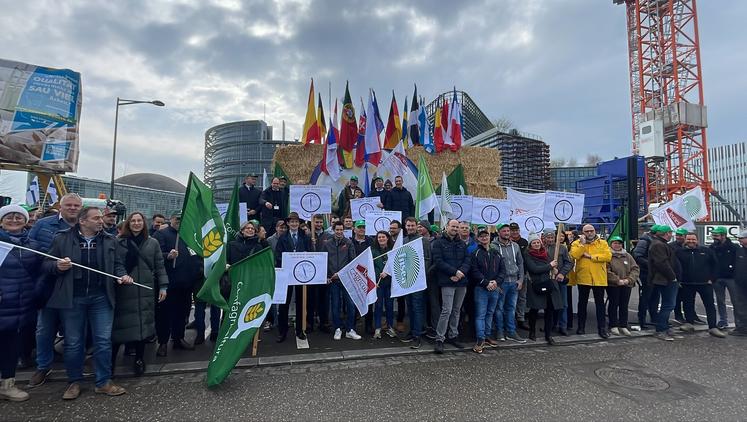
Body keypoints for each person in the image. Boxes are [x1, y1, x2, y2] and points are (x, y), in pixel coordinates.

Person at [43, 206, 132, 399]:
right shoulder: (62, 238)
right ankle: (74, 381)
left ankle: (103, 382)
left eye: (101, 218)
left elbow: (117, 264)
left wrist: (122, 275)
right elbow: (46, 264)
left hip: (101, 297)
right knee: (74, 343)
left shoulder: (109, 239)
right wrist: (57, 266)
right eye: (96, 218)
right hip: (73, 298)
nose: (101, 221)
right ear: (82, 221)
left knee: (103, 341)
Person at [27, 192, 83, 388]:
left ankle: (74, 373)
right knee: (44, 329)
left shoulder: (84, 227)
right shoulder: (43, 225)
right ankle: (43, 366)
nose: (73, 208)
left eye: (76, 206)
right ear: (61, 206)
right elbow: (29, 250)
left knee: (73, 333)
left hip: (74, 287)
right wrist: (52, 266)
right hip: (48, 284)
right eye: (69, 205)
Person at [111, 212, 168, 376]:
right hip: (124, 289)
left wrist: (163, 286)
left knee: (143, 327)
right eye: (133, 221)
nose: (136, 223)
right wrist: (121, 275)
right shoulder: (118, 242)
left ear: (144, 223)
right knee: (120, 326)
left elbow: (159, 266)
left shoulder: (153, 243)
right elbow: (116, 263)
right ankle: (111, 362)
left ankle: (139, 359)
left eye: (139, 221)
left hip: (145, 289)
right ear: (128, 223)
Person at [0, 205, 42, 401]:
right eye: (9, 217)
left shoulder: (32, 245)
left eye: (19, 217)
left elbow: (38, 272)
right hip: (2, 301)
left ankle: (7, 385)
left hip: (21, 304)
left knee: (11, 346)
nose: (14, 220)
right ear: (1, 221)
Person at [152, 211, 201, 356]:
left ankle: (178, 338)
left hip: (186, 284)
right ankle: (162, 343)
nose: (180, 222)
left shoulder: (189, 235)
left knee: (182, 313)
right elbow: (154, 255)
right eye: (177, 219)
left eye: (182, 219)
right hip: (168, 284)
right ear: (171, 219)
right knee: (165, 315)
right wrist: (167, 255)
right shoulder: (161, 235)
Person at [675, 233, 726, 338]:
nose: (691, 241)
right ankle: (689, 323)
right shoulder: (679, 252)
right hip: (687, 283)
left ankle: (712, 327)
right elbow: (676, 266)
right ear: (685, 240)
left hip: (705, 283)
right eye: (688, 239)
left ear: (697, 240)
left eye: (693, 239)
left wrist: (712, 279)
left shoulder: (706, 251)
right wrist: (679, 280)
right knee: (688, 304)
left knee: (710, 305)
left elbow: (715, 265)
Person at [431, 219, 471, 354]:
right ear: (447, 227)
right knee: (446, 310)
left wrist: (461, 273)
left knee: (456, 310)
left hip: (461, 281)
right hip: (447, 281)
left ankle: (453, 335)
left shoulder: (462, 244)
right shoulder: (439, 243)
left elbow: (467, 260)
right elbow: (438, 261)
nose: (455, 228)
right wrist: (454, 272)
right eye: (453, 226)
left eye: (457, 227)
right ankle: (440, 338)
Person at [275, 212, 313, 342]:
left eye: (296, 222)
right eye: (292, 222)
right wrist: (289, 262)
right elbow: (278, 255)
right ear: (288, 223)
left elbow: (311, 253)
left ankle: (300, 330)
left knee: (301, 302)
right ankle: (282, 331)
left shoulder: (305, 237)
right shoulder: (282, 238)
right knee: (284, 303)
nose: (294, 224)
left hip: (302, 274)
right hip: (287, 274)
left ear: (299, 223)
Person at [570, 224, 612, 338]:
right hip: (584, 277)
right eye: (586, 231)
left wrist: (590, 256)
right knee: (582, 304)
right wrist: (582, 245)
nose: (589, 233)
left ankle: (602, 328)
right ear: (582, 233)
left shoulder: (602, 242)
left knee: (600, 304)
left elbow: (607, 257)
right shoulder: (577, 243)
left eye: (591, 231)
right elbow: (574, 255)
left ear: (595, 231)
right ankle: (581, 327)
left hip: (599, 278)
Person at [469, 227, 506, 353]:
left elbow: (502, 270)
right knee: (481, 314)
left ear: (489, 237)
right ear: (478, 238)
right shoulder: (475, 253)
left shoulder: (496, 253)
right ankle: (480, 338)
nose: (484, 238)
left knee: (490, 313)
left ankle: (487, 335)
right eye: (481, 236)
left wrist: (496, 282)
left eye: (486, 236)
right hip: (481, 289)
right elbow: (474, 271)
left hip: (495, 288)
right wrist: (486, 283)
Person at [324, 221, 361, 340]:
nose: (339, 232)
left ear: (344, 230)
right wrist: (327, 276)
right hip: (333, 280)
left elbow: (353, 261)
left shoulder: (349, 242)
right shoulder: (327, 244)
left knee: (351, 305)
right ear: (333, 230)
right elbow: (324, 261)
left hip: (347, 279)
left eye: (341, 230)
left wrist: (341, 274)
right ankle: (337, 328)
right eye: (337, 230)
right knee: (335, 305)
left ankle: (350, 329)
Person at [524, 233, 562, 345]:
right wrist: (550, 266)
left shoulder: (545, 253)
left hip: (549, 283)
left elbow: (552, 265)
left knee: (549, 310)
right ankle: (532, 332)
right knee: (534, 309)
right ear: (530, 245)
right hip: (536, 284)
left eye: (537, 242)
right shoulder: (528, 255)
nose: (536, 244)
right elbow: (534, 269)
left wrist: (554, 270)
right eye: (533, 243)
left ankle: (548, 334)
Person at [491, 223, 526, 343]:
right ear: (499, 232)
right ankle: (500, 331)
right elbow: (493, 267)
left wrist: (520, 279)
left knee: (511, 308)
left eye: (508, 231)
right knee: (499, 308)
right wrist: (497, 282)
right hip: (502, 282)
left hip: (514, 282)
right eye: (504, 231)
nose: (507, 233)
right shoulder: (493, 247)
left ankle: (511, 331)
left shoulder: (515, 246)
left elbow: (520, 263)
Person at [647, 225, 682, 341]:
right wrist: (672, 277)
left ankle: (665, 327)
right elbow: (662, 263)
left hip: (666, 279)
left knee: (668, 304)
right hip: (665, 280)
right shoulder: (658, 245)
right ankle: (661, 329)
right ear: (666, 233)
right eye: (670, 233)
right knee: (668, 304)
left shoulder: (659, 244)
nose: (671, 235)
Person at [400, 217, 429, 348]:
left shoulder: (424, 241)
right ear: (405, 226)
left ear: (416, 226)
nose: (410, 227)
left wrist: (421, 275)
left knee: (417, 307)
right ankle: (412, 331)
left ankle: (417, 335)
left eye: (412, 225)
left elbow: (428, 260)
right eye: (408, 225)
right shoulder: (404, 240)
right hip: (408, 280)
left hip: (418, 281)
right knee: (410, 307)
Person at [606, 236, 639, 336]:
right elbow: (606, 270)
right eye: (615, 243)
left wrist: (629, 280)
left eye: (619, 243)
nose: (617, 245)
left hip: (626, 284)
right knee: (613, 304)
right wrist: (617, 280)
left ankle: (623, 325)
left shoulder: (627, 255)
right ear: (611, 244)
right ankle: (613, 325)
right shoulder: (608, 255)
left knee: (624, 305)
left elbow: (635, 268)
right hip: (613, 285)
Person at [543, 230, 573, 336]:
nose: (550, 239)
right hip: (547, 280)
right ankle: (550, 324)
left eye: (552, 237)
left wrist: (562, 273)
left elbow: (569, 263)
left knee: (563, 304)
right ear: (544, 238)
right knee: (548, 304)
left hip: (559, 280)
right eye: (548, 237)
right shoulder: (541, 249)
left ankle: (563, 326)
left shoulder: (562, 248)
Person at [709, 226, 738, 329]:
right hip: (717, 278)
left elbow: (738, 262)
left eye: (716, 235)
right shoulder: (712, 247)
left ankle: (739, 322)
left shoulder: (734, 247)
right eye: (713, 235)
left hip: (731, 278)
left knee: (735, 301)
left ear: (724, 235)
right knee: (720, 300)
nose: (714, 237)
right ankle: (723, 320)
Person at [308, 215, 332, 333]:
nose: (318, 224)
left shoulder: (328, 236)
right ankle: (309, 323)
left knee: (324, 299)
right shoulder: (308, 236)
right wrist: (310, 243)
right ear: (312, 223)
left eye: (320, 222)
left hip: (324, 271)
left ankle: (324, 322)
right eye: (316, 222)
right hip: (311, 272)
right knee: (311, 299)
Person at [372, 231, 396, 339]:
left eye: (383, 237)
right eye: (379, 237)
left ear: (387, 238)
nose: (381, 239)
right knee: (378, 306)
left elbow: (396, 266)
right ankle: (377, 328)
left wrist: (388, 273)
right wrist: (373, 281)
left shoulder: (393, 251)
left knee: (390, 306)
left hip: (390, 283)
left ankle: (390, 326)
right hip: (378, 284)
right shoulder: (373, 251)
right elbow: (370, 268)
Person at [633, 226, 657, 329]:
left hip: (655, 273)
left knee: (655, 297)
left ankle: (654, 318)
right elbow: (637, 255)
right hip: (646, 273)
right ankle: (641, 320)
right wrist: (651, 264)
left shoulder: (654, 240)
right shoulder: (645, 241)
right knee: (645, 297)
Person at [508, 222, 530, 330]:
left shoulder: (524, 242)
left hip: (522, 274)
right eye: (512, 230)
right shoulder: (507, 242)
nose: (514, 232)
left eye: (516, 230)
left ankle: (521, 318)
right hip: (509, 275)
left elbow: (525, 259)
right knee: (510, 299)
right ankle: (510, 319)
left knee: (522, 298)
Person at [730, 230, 747, 336]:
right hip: (740, 284)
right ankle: (742, 328)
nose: (739, 240)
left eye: (741, 238)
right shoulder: (739, 250)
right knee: (741, 306)